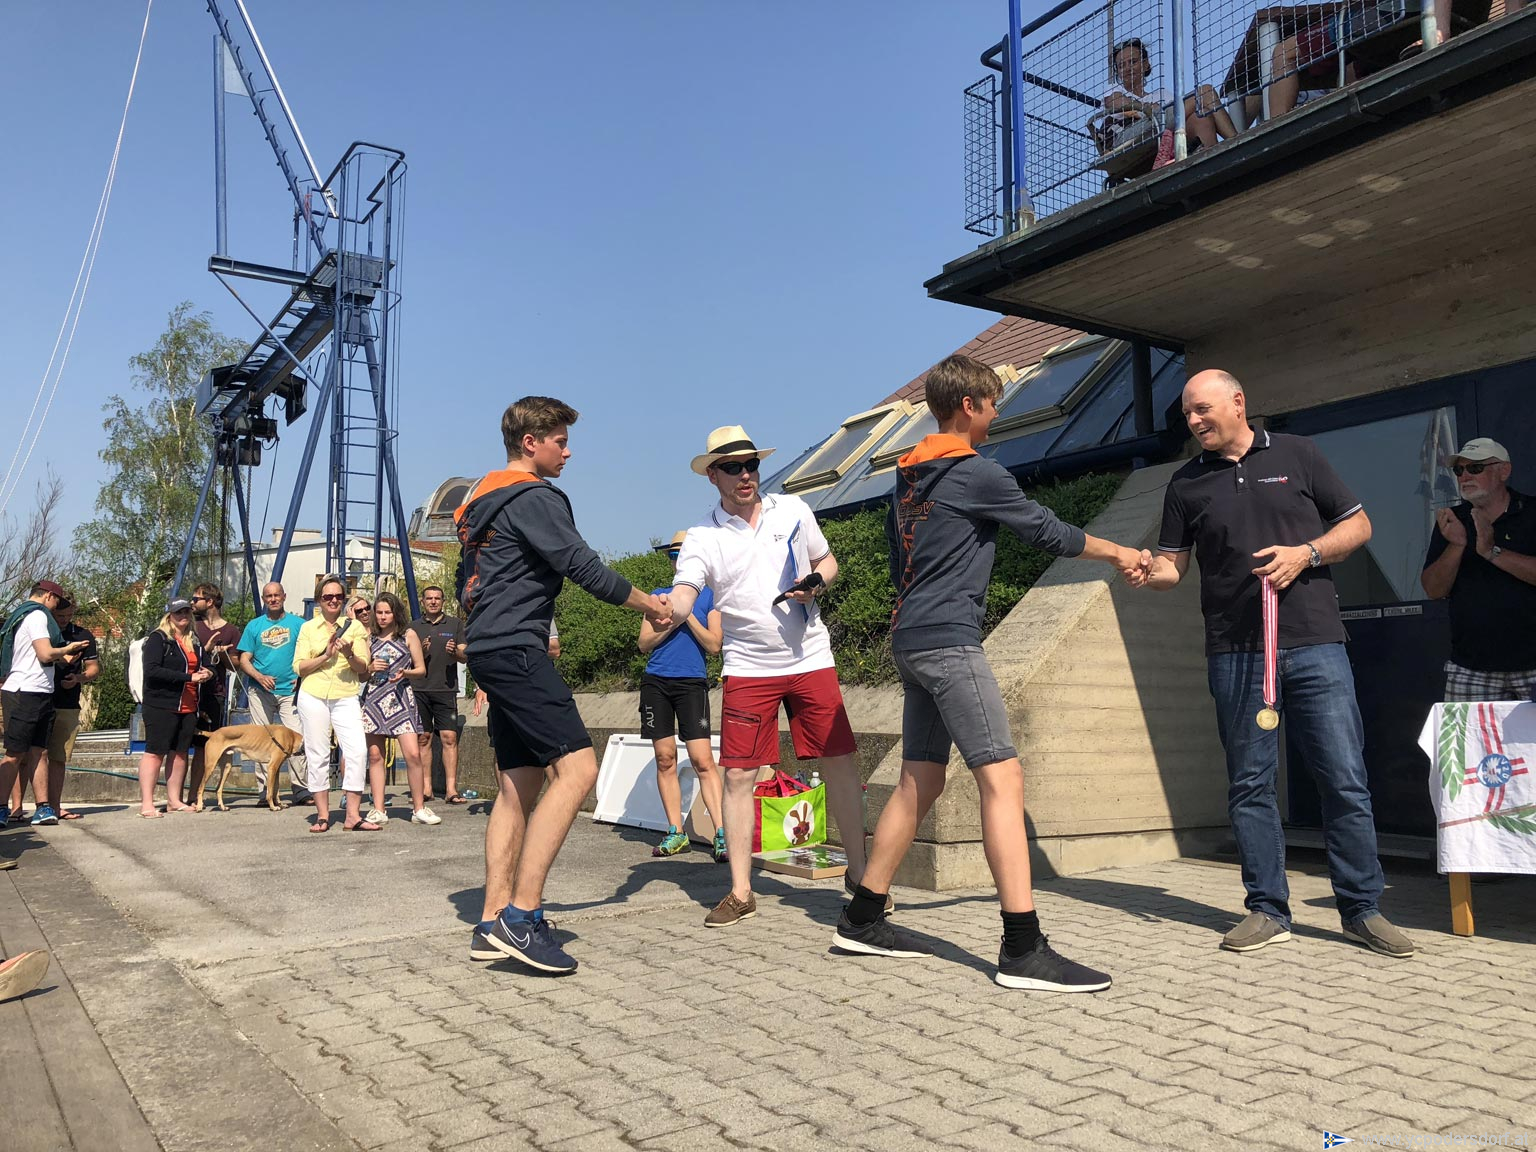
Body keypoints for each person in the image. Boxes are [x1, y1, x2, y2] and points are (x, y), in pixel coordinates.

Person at [833, 355, 1144, 992]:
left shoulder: (908, 476)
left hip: (910, 638)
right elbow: (1047, 532)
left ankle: (862, 919)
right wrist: (1120, 552)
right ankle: (1022, 949)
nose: (997, 413)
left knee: (920, 779)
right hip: (950, 641)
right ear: (969, 405)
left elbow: (899, 562)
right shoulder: (974, 471)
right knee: (1002, 778)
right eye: (993, 402)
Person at [1128, 369, 1413, 959]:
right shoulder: (1185, 483)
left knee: (1343, 778)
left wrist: (1307, 553)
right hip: (1235, 651)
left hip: (1315, 643)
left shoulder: (1298, 454)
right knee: (1249, 784)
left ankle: (1362, 908)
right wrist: (1145, 571)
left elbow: (1358, 525)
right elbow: (1173, 568)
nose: (1194, 421)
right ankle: (1267, 909)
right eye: (1187, 414)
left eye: (1203, 409)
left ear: (1238, 402)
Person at [459, 395, 668, 974]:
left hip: (487, 648)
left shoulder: (479, 502)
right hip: (516, 649)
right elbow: (583, 566)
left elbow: (467, 587)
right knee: (578, 770)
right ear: (531, 442)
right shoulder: (534, 497)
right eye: (560, 441)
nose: (568, 453)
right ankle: (521, 918)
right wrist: (650, 604)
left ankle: (490, 921)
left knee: (517, 786)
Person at [665, 425, 870, 929]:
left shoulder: (794, 509)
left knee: (840, 763)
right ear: (712, 475)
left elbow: (826, 560)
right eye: (732, 467)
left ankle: (862, 879)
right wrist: (668, 608)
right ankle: (740, 892)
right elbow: (686, 591)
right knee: (738, 775)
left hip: (810, 658)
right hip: (748, 667)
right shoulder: (703, 536)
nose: (745, 475)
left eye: (751, 464)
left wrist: (817, 581)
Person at [1421, 438, 1536, 702]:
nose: (1465, 477)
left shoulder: (1532, 512)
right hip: (1470, 668)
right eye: (1459, 470)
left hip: (1533, 666)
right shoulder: (1453, 520)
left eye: (1475, 468)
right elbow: (1433, 589)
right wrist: (1457, 545)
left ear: (1503, 471)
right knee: (1463, 732)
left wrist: (1491, 552)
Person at [637, 530, 727, 861]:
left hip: (692, 683)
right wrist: (670, 620)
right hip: (656, 682)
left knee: (703, 760)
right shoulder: (658, 597)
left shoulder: (711, 597)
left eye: (683, 554)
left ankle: (722, 834)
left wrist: (685, 614)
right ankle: (676, 832)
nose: (679, 560)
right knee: (665, 758)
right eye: (674, 555)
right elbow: (643, 643)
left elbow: (714, 645)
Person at [1, 581, 89, 829]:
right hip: (26, 691)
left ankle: (43, 807)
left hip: (39, 690)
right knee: (15, 753)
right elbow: (44, 653)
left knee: (39, 751)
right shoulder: (38, 615)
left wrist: (64, 656)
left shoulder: (23, 615)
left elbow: (37, 655)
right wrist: (67, 648)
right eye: (57, 603)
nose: (56, 609)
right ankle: (2, 807)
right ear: (49, 596)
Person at [293, 576, 372, 833]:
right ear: (319, 600)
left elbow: (363, 668)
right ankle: (323, 815)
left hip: (345, 694)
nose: (334, 600)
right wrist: (326, 656)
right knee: (318, 753)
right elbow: (299, 667)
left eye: (338, 596)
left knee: (358, 751)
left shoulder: (355, 627)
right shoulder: (308, 628)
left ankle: (353, 816)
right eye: (328, 596)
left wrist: (348, 654)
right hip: (313, 694)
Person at [362, 591, 438, 826]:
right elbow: (361, 673)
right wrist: (370, 667)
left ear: (396, 613)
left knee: (413, 753)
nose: (383, 616)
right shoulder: (369, 638)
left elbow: (421, 669)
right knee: (375, 755)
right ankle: (378, 808)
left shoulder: (408, 634)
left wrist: (405, 673)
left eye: (387, 612)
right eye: (379, 612)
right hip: (375, 697)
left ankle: (419, 808)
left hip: (401, 697)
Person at [136, 599, 213, 817]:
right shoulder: (158, 638)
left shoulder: (194, 640)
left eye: (187, 612)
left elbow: (207, 664)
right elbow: (152, 671)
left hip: (188, 705)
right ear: (169, 616)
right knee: (155, 752)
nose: (183, 616)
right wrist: (188, 677)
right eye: (178, 613)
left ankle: (174, 801)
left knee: (180, 753)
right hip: (161, 705)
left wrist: (209, 672)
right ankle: (147, 804)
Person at [1100, 37, 1235, 157]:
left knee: (1201, 115)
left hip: (1162, 132)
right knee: (1205, 92)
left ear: (1146, 64)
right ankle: (1235, 142)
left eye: (1133, 62)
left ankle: (1211, 158)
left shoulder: (1162, 94)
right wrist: (1146, 108)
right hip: (1131, 136)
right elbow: (1116, 102)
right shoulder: (1114, 89)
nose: (1127, 68)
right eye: (1121, 65)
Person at [236, 582, 309, 804]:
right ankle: (265, 792)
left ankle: (301, 789)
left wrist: (302, 676)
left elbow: (309, 654)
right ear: (264, 599)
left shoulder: (299, 624)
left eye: (277, 595)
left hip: (290, 692)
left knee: (297, 739)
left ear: (284, 596)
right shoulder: (254, 626)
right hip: (261, 692)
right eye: (269, 596)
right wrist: (259, 677)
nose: (273, 599)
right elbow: (244, 659)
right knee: (261, 740)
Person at [38, 596, 98, 823]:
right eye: (59, 615)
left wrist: (78, 678)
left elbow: (93, 668)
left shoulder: (83, 635)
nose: (64, 620)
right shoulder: (40, 631)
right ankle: (16, 808)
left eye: (69, 615)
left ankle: (54, 807)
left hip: (67, 702)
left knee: (58, 756)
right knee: (27, 754)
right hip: (37, 697)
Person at [409, 586, 467, 804]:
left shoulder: (455, 624)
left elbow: (465, 655)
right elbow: (405, 659)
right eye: (429, 599)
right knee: (423, 738)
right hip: (419, 689)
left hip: (446, 689)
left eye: (437, 598)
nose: (433, 602)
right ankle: (426, 789)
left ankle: (451, 790)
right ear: (423, 602)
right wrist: (420, 652)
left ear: (443, 601)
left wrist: (455, 652)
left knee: (449, 738)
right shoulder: (413, 627)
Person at [188, 583, 240, 806]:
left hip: (214, 695)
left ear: (209, 602)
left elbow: (236, 666)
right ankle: (179, 797)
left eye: (195, 599)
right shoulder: (191, 626)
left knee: (205, 747)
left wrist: (223, 654)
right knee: (180, 747)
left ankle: (195, 795)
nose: (191, 603)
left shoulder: (231, 631)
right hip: (189, 693)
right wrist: (206, 651)